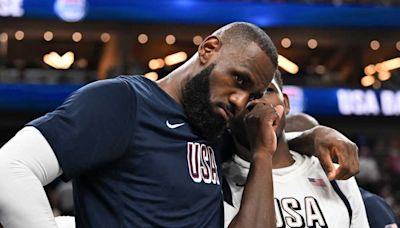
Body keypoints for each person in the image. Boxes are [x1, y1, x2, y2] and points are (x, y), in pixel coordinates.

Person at [0, 22, 358, 228]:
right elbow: (9, 168)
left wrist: (316, 134)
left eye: (251, 93)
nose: (238, 100)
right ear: (209, 49)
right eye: (238, 79)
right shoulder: (123, 102)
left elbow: (273, 142)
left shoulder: (213, 126)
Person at [224, 70, 369, 227]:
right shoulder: (217, 183)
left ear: (285, 103)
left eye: (268, 90)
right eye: (244, 93)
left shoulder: (334, 176)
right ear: (226, 114)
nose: (259, 101)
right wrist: (263, 151)